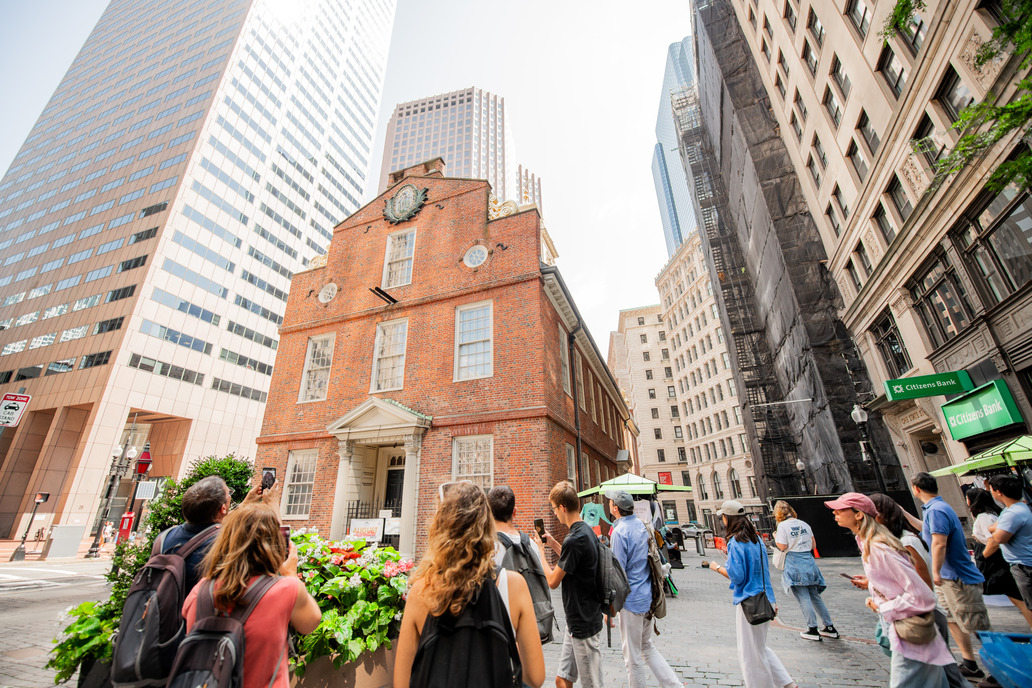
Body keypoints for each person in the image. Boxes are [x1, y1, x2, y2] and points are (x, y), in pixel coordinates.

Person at [395, 481, 545, 688]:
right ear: (486, 526)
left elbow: (403, 683)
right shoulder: (514, 585)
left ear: (439, 527)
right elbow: (535, 678)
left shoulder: (421, 591)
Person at [182, 502, 322, 688]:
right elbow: (311, 623)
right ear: (275, 543)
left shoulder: (200, 591)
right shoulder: (286, 589)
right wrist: (290, 574)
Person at [827, 492, 952, 687]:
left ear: (858, 514)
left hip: (909, 628)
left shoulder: (879, 547)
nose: (834, 512)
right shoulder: (868, 543)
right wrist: (873, 586)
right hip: (902, 626)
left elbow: (922, 596)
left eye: (840, 509)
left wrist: (881, 605)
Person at [869, 493, 968, 688]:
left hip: (921, 615)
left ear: (880, 516)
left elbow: (922, 585)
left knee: (942, 673)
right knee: (948, 673)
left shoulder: (907, 542)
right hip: (917, 614)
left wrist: (889, 605)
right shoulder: (896, 540)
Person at [704, 500, 797, 688]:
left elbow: (736, 576)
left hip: (750, 601)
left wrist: (717, 567)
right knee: (759, 647)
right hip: (765, 597)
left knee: (749, 654)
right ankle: (786, 683)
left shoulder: (736, 542)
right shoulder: (756, 539)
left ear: (727, 518)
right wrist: (771, 599)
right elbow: (763, 571)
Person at [910, 472, 991, 679]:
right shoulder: (933, 509)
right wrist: (903, 513)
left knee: (976, 624)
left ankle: (999, 668)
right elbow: (926, 530)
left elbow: (939, 543)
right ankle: (970, 663)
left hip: (956, 576)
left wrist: (935, 572)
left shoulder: (937, 510)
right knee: (954, 619)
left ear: (916, 489)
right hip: (948, 577)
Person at [605, 490, 680, 688]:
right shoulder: (642, 525)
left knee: (632, 657)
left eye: (610, 501)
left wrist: (610, 606)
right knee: (646, 646)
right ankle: (674, 685)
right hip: (647, 595)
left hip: (631, 602)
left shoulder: (620, 533)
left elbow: (618, 574)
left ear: (615, 508)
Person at [532, 480, 603, 688]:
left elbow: (553, 581)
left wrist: (541, 552)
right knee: (562, 680)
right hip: (577, 622)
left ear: (562, 507)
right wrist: (553, 543)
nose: (554, 513)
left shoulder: (575, 539)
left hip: (584, 624)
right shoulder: (585, 531)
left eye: (554, 508)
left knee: (592, 685)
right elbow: (573, 560)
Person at [772, 501, 838, 641]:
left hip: (795, 561)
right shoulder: (804, 524)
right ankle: (829, 627)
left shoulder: (782, 526)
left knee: (803, 597)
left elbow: (782, 546)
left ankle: (812, 628)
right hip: (808, 560)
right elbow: (813, 545)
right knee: (814, 595)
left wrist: (775, 538)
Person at [967, 486, 1032, 628]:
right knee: (1019, 598)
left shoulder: (984, 517)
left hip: (995, 561)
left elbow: (993, 542)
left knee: (1019, 599)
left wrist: (982, 558)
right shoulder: (995, 514)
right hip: (1000, 560)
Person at [984, 474, 1032, 613]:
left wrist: (993, 528)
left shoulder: (1013, 513)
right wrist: (994, 528)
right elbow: (996, 527)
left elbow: (999, 538)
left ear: (998, 492)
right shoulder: (1014, 508)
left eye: (991, 489)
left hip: (1025, 565)